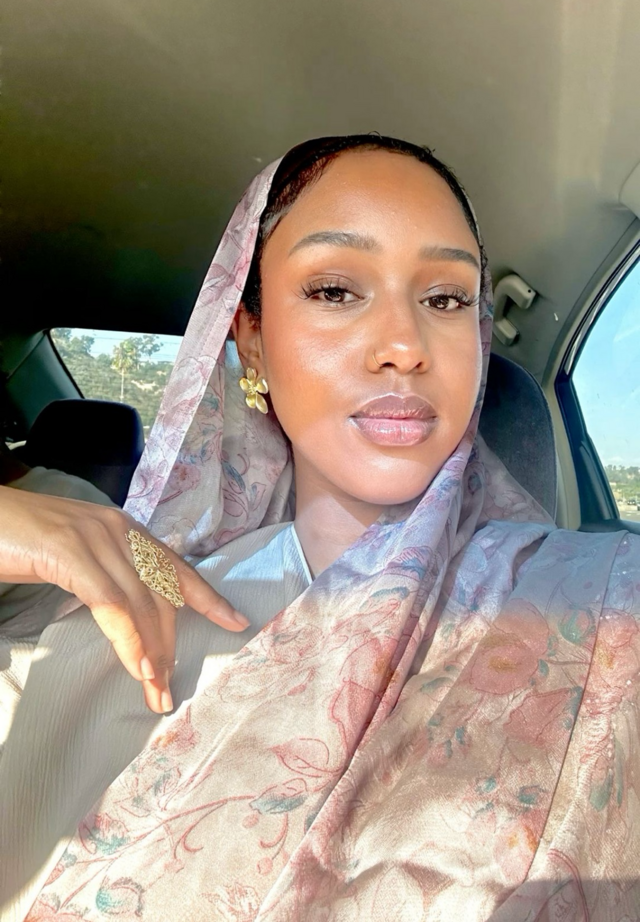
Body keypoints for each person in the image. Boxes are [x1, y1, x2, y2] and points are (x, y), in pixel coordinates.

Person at [0, 134, 638, 922]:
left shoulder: (594, 607)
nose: (405, 346)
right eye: (336, 290)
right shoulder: (121, 623)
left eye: (446, 299)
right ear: (252, 341)